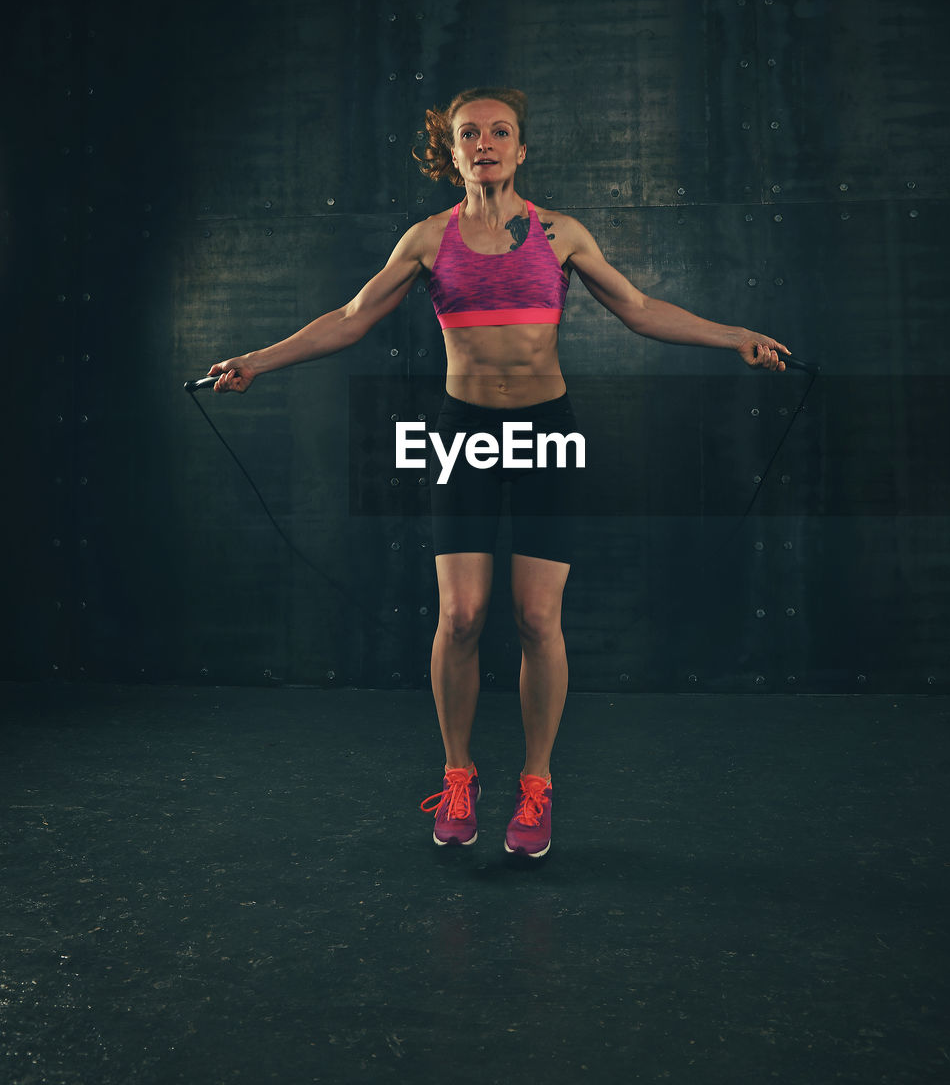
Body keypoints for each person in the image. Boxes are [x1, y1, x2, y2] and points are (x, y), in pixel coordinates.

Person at [207, 86, 791, 860]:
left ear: (520, 149)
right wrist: (256, 359)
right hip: (464, 436)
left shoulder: (561, 234)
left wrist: (735, 336)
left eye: (499, 132)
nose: (484, 143)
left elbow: (642, 310)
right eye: (468, 134)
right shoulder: (425, 241)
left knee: (538, 620)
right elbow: (350, 319)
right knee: (460, 618)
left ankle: (537, 787)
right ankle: (458, 775)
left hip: (546, 433)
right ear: (449, 152)